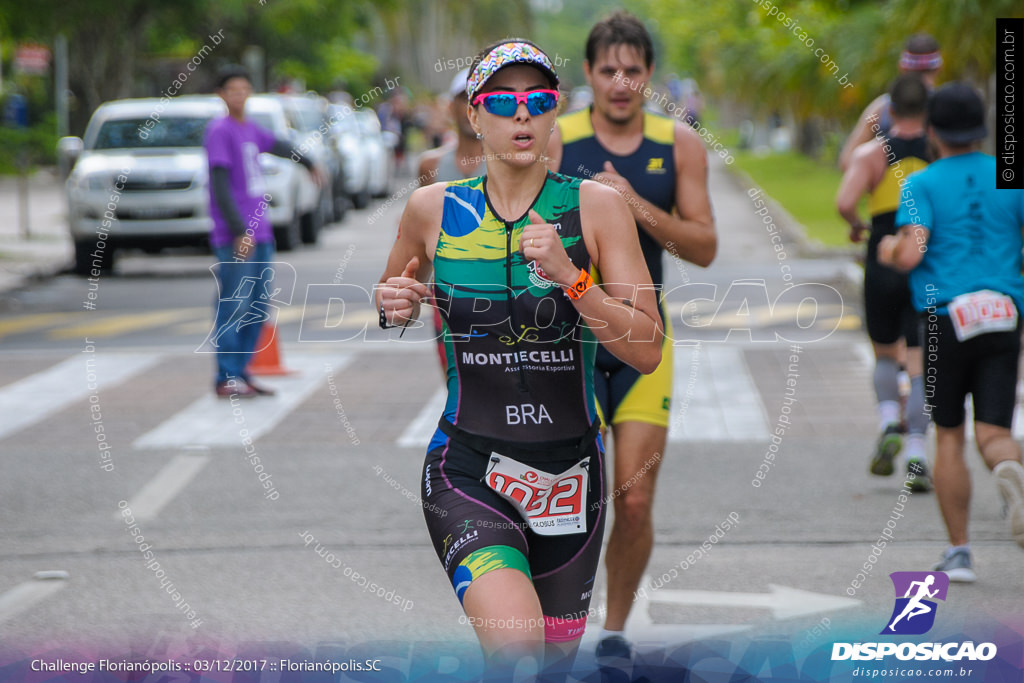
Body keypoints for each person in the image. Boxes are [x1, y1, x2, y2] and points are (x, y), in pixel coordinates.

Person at [376, 40, 663, 681]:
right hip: (468, 469)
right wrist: (391, 304)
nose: (522, 116)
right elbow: (393, 295)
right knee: (516, 655)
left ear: (556, 111)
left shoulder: (596, 208)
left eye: (539, 101)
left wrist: (572, 279)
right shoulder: (433, 209)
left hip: (571, 478)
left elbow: (646, 349)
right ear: (474, 116)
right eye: (503, 102)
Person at [544, 11, 716, 660]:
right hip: (572, 341)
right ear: (588, 74)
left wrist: (630, 203)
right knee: (570, 501)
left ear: (649, 77)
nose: (620, 82)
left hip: (644, 342)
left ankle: (613, 633)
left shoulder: (678, 145)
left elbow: (704, 245)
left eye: (633, 71)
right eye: (608, 70)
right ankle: (557, 629)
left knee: (635, 498)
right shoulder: (557, 140)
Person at [878, 82, 1024, 583]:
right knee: (995, 432)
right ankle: (1010, 470)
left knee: (950, 436)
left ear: (933, 131)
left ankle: (959, 551)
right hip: (1003, 312)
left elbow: (913, 252)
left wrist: (888, 251)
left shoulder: (920, 184)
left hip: (945, 320)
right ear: (983, 129)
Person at [835, 74, 932, 489]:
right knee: (919, 359)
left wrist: (857, 225)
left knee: (884, 354)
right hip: (925, 258)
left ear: (889, 109)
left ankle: (889, 421)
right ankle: (916, 453)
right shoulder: (939, 151)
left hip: (881, 255)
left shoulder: (873, 153)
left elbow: (843, 201)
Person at [205, 65, 323, 398]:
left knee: (257, 305)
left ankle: (242, 372)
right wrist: (239, 229)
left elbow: (280, 146)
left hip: (262, 232)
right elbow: (220, 184)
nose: (239, 95)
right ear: (221, 95)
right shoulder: (220, 131)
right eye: (232, 89)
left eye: (244, 88)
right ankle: (226, 375)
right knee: (234, 303)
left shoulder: (249, 129)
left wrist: (310, 162)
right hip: (237, 234)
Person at [417, 68, 485, 375]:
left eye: (478, 96)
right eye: (463, 97)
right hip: (447, 295)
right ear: (452, 106)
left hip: (500, 289)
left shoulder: (510, 163)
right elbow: (419, 232)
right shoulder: (431, 165)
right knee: (457, 383)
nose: (470, 103)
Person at [838, 33, 942, 171]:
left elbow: (847, 161)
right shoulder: (949, 107)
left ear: (902, 67)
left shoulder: (881, 107)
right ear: (938, 68)